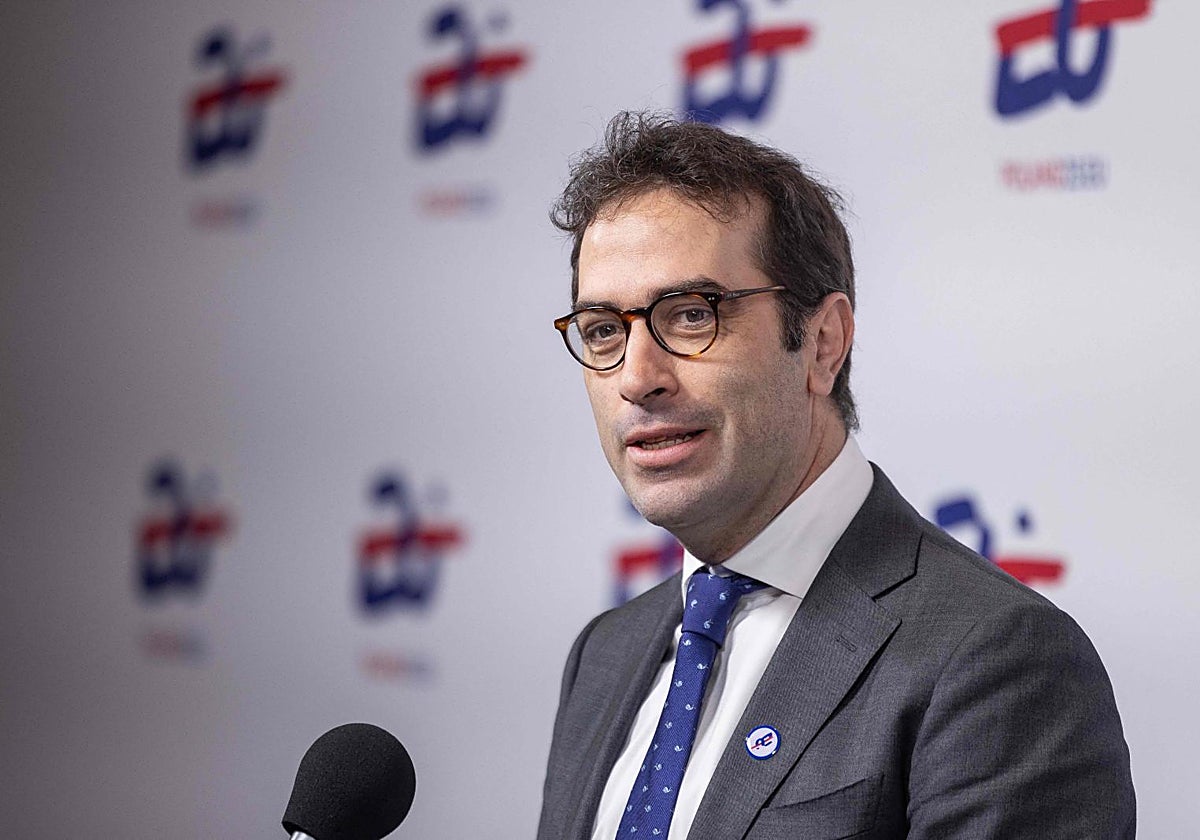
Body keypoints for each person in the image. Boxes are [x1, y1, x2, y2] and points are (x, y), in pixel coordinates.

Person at [536, 111, 1135, 840]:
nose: (637, 378)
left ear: (823, 343)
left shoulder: (997, 659)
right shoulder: (605, 654)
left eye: (691, 316)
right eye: (603, 330)